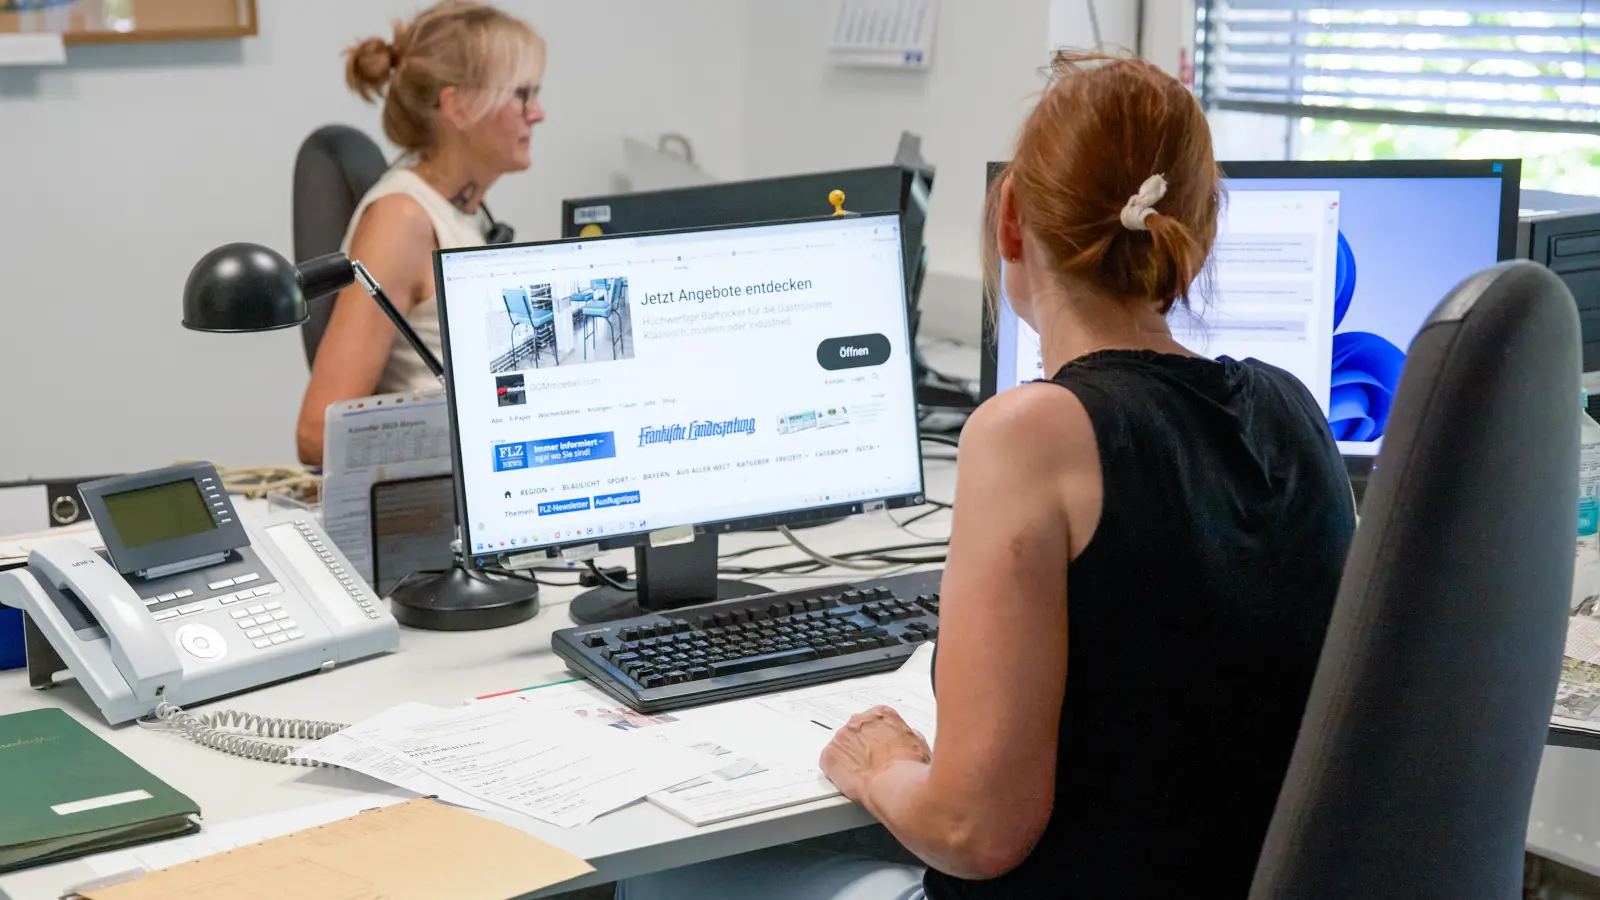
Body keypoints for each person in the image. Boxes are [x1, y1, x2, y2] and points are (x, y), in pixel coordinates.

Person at [616, 52, 1355, 900]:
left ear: (1010, 220)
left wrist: (880, 766)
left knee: (674, 883)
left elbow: (975, 833)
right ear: (1200, 232)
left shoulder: (1031, 432)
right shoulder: (1294, 409)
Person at [295, 1, 545, 465]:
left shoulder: (460, 207)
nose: (538, 113)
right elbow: (316, 433)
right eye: (522, 95)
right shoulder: (402, 220)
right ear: (459, 107)